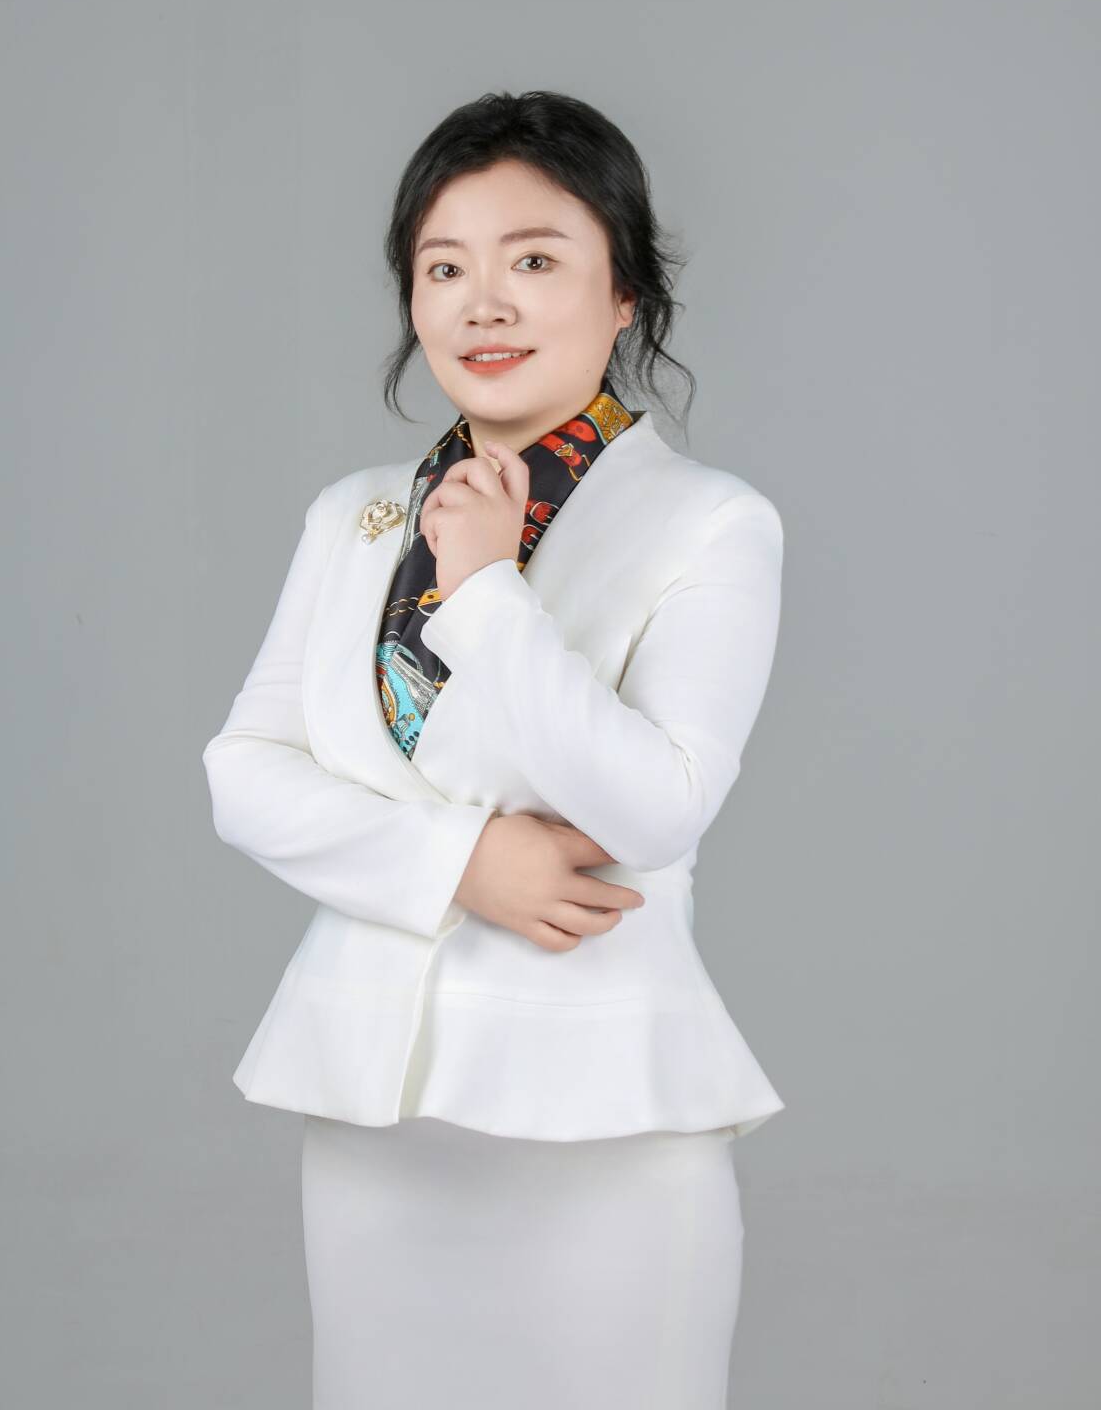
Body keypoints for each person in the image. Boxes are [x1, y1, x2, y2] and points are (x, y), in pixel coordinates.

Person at [202, 89, 787, 1409]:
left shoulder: (711, 522)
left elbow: (661, 806)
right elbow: (245, 772)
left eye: (534, 261)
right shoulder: (355, 515)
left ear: (624, 291)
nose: (485, 305)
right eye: (444, 268)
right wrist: (461, 862)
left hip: (603, 1113)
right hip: (376, 1109)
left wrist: (483, 593)